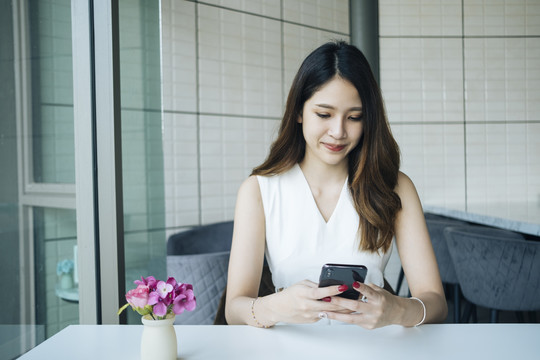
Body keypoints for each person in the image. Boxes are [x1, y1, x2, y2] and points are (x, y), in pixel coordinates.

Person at [224, 41, 448, 329]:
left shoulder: (395, 188)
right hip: (288, 348)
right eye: (324, 114)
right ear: (299, 112)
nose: (339, 132)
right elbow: (234, 310)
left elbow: (436, 303)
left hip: (374, 349)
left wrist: (398, 310)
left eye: (354, 117)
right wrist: (275, 307)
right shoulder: (259, 190)